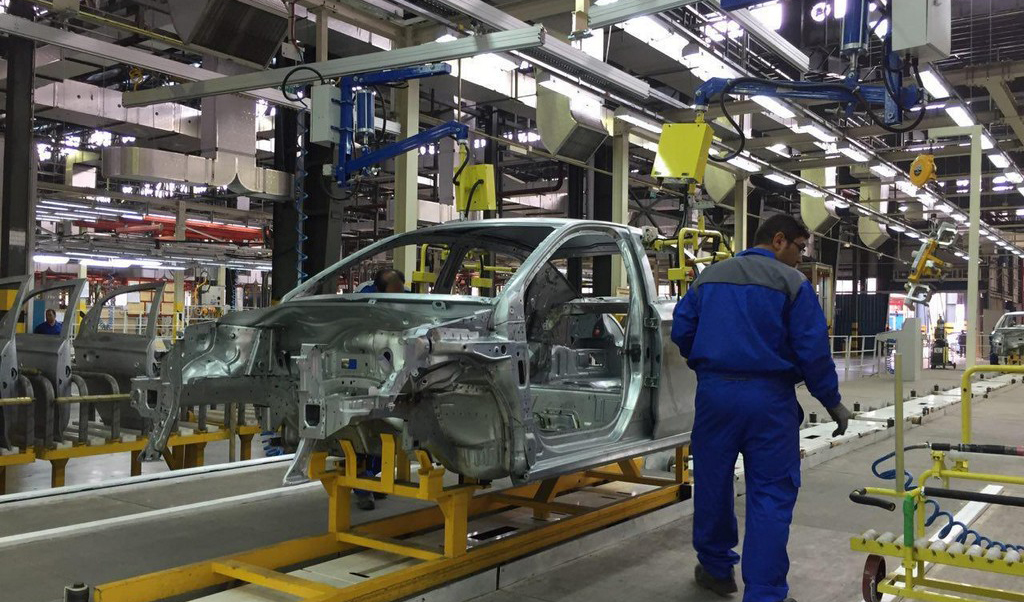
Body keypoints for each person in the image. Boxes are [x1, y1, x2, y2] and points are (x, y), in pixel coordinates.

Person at [671, 214, 851, 602]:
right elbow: (813, 350)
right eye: (800, 248)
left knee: (713, 483)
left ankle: (716, 569)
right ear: (779, 240)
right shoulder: (793, 284)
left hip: (715, 397)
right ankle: (765, 593)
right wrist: (831, 401)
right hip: (770, 401)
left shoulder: (709, 278)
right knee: (770, 492)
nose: (801, 258)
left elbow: (681, 330)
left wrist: (710, 362)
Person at [352, 267, 406, 510]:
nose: (399, 295)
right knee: (364, 430)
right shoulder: (364, 298)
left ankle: (373, 479)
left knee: (386, 429)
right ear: (380, 288)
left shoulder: (403, 298)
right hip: (362, 373)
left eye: (401, 290)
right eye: (395, 291)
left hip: (388, 370)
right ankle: (362, 487)